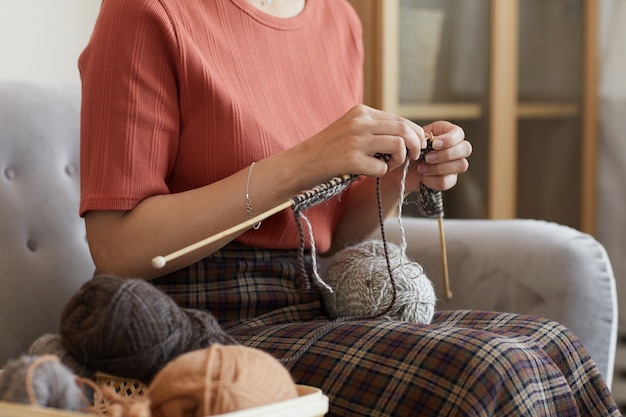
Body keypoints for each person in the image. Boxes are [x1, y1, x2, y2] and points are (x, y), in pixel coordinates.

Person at [78, 0, 619, 415]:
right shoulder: (146, 12)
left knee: (552, 343)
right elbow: (119, 247)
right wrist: (301, 162)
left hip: (318, 300)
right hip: (201, 323)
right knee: (497, 368)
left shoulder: (337, 18)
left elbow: (337, 227)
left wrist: (402, 175)